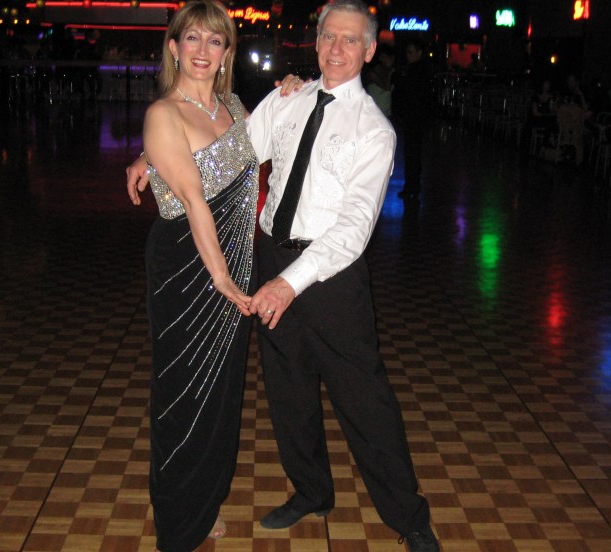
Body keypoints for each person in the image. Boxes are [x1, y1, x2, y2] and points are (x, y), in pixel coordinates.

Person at [127, 2, 440, 550]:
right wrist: (149, 158)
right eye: (328, 37)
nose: (337, 49)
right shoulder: (285, 100)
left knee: (364, 401)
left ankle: (410, 518)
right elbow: (224, 150)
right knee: (288, 392)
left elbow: (353, 230)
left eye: (350, 40)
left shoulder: (374, 130)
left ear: (369, 50)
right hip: (269, 256)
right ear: (316, 43)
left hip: (330, 276)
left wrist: (289, 283)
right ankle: (312, 491)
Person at [137, 1, 257, 549]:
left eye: (215, 40)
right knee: (182, 391)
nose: (203, 50)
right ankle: (178, 519)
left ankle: (205, 502)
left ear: (227, 52)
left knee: (221, 393)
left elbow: (260, 150)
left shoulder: (233, 106)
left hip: (231, 260)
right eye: (192, 38)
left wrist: (292, 87)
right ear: (174, 47)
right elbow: (193, 199)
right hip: (189, 269)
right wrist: (223, 280)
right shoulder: (163, 114)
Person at [393, 38, 434, 201]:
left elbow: (415, 95)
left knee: (412, 153)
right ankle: (412, 186)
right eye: (407, 52)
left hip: (414, 116)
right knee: (412, 153)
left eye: (411, 52)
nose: (408, 55)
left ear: (419, 53)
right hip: (413, 116)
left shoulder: (417, 72)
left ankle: (412, 186)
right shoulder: (416, 70)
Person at [364, 43, 394, 119]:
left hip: (387, 112)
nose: (391, 60)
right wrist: (390, 74)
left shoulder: (388, 71)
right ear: (381, 58)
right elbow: (386, 88)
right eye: (389, 58)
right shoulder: (373, 73)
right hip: (376, 114)